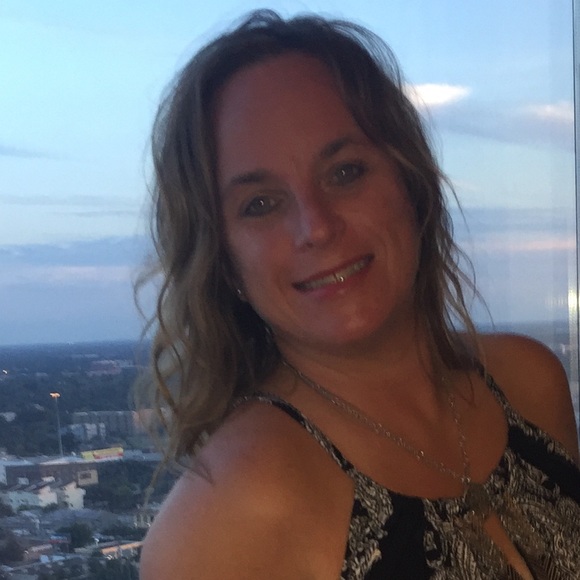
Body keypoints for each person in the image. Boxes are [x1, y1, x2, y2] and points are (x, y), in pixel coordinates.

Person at [138, 10, 580, 579]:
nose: (317, 227)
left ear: (410, 182)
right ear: (222, 260)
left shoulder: (528, 382)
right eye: (261, 204)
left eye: (345, 172)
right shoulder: (227, 517)